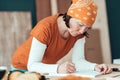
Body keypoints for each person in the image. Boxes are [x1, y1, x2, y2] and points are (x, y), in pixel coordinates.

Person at [11, 0, 112, 74]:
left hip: (44, 70)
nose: (82, 31)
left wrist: (95, 67)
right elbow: (32, 65)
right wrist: (58, 68)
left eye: (87, 27)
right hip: (21, 68)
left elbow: (78, 61)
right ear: (69, 17)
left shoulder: (79, 33)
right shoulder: (45, 28)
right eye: (80, 24)